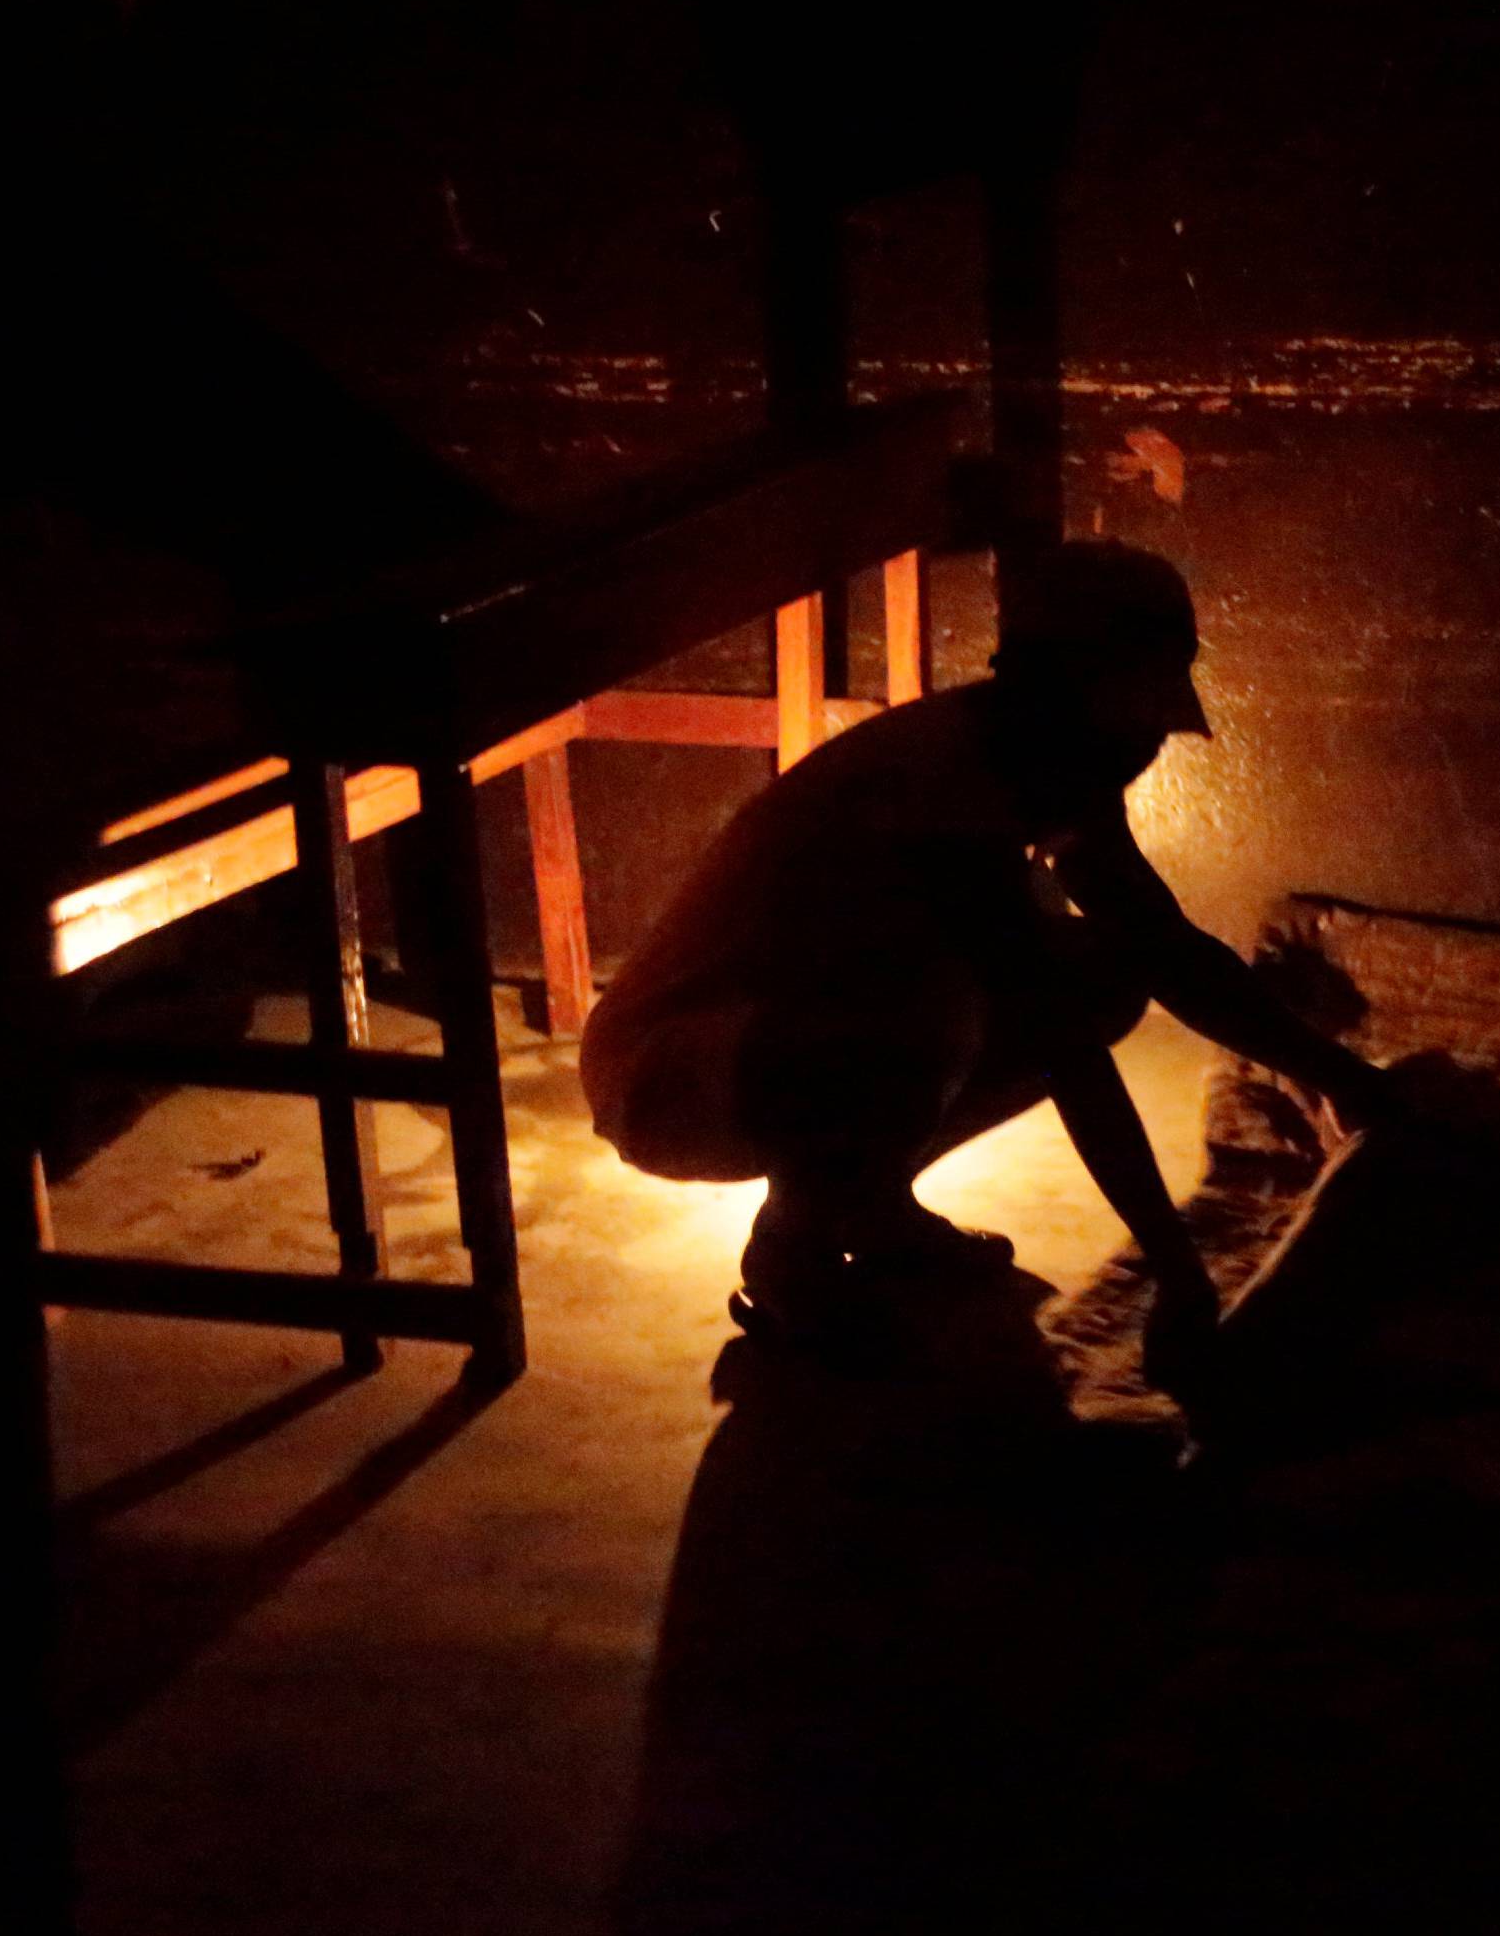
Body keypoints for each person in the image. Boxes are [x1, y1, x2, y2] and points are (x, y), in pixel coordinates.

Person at [580, 539, 1398, 1386]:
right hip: (673, 1081)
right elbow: (1061, 1042)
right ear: (1063, 701)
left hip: (761, 1045)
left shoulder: (1041, 749)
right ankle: (796, 1258)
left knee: (1105, 971)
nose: (1145, 749)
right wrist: (1179, 1270)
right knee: (922, 1021)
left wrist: (1342, 1076)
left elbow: (1163, 947)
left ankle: (869, 1207)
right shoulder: (942, 787)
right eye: (1135, 722)